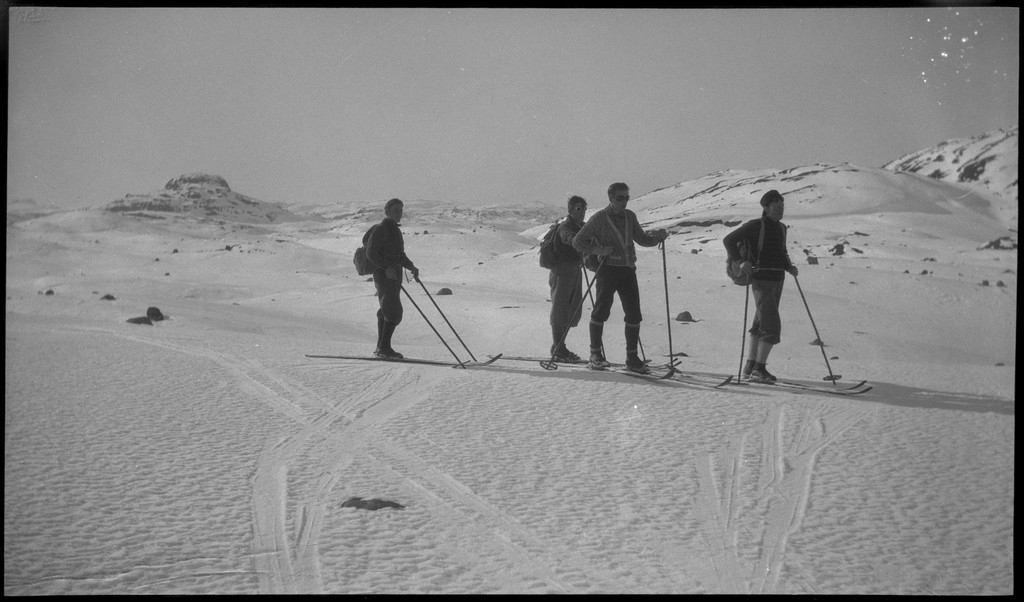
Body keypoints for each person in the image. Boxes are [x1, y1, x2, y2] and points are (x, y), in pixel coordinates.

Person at [572, 183, 668, 373]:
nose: (624, 201)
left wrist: (657, 238)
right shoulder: (599, 218)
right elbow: (578, 241)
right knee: (601, 311)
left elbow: (641, 239)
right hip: (607, 270)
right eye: (620, 198)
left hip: (627, 270)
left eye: (626, 197)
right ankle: (595, 355)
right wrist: (598, 250)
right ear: (610, 198)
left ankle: (632, 358)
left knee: (634, 314)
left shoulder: (630, 216)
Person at [722, 189, 798, 383]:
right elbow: (729, 240)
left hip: (777, 279)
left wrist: (789, 266)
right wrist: (740, 262)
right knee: (771, 326)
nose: (780, 209)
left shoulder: (781, 228)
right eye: (776, 206)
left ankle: (750, 366)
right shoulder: (757, 225)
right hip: (761, 280)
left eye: (782, 205)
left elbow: (781, 251)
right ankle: (759, 369)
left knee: (759, 324)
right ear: (765, 207)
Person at [365, 198, 419, 358]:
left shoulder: (394, 230)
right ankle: (384, 348)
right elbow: (370, 253)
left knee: (386, 309)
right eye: (396, 210)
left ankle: (381, 347)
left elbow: (399, 256)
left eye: (401, 210)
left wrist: (411, 267)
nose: (400, 213)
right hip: (384, 276)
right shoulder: (381, 230)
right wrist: (386, 268)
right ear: (387, 211)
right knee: (394, 311)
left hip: (394, 276)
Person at [548, 195, 588, 361]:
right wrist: (578, 242)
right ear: (570, 210)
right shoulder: (565, 227)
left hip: (575, 270)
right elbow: (567, 238)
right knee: (560, 308)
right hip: (562, 271)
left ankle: (559, 346)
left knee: (571, 309)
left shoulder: (582, 226)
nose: (582, 212)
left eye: (584, 208)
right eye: (578, 209)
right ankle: (558, 348)